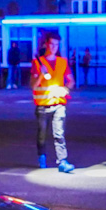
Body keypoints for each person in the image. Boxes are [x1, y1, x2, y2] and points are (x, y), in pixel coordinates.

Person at [30, 33, 75, 172]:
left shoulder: (62, 62)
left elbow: (71, 81)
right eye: (51, 44)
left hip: (59, 104)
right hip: (42, 105)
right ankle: (41, 157)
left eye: (56, 45)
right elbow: (33, 85)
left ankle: (62, 161)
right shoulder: (38, 62)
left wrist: (66, 89)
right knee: (42, 135)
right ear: (46, 45)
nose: (54, 47)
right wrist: (42, 75)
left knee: (59, 134)